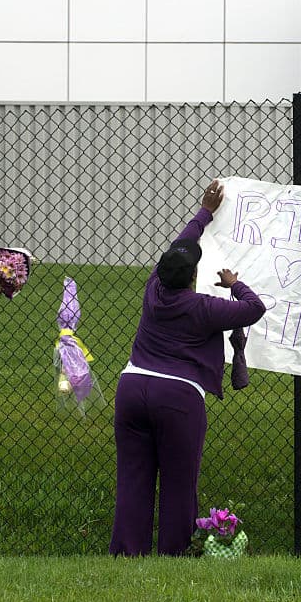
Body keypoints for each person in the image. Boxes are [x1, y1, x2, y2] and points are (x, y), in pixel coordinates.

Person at [109, 179, 267, 557]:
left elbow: (180, 246)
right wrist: (234, 283)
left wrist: (204, 213)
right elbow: (255, 309)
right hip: (178, 397)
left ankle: (128, 553)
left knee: (133, 478)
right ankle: (173, 553)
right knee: (179, 482)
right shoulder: (204, 308)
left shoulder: (153, 289)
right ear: (194, 278)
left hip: (131, 388)